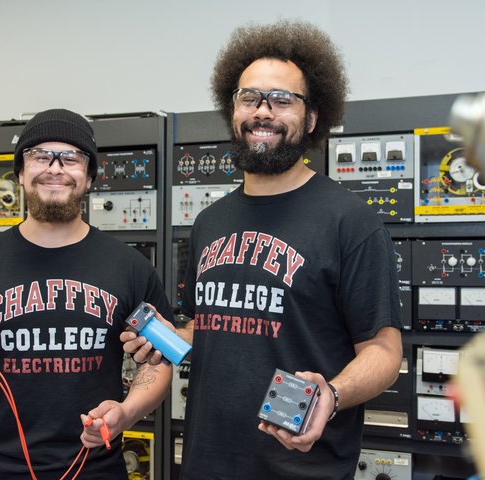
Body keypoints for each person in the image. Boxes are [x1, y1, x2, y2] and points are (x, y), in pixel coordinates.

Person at [123, 20, 403, 480]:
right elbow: (203, 326)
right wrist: (160, 343)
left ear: (312, 118)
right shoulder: (210, 222)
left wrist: (331, 394)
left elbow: (384, 352)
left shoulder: (350, 221)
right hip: (205, 461)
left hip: (300, 467)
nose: (263, 112)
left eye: (282, 99)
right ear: (233, 110)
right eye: (249, 97)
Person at [0, 108, 173, 479]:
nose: (54, 168)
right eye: (40, 156)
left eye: (70, 157)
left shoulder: (131, 267)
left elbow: (157, 362)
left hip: (93, 466)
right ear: (20, 173)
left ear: (89, 177)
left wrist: (128, 412)